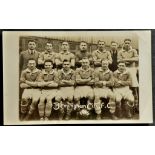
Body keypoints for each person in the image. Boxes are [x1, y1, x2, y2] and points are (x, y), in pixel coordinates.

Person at [117, 38, 139, 111]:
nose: (127, 44)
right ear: (124, 43)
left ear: (130, 43)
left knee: (134, 87)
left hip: (132, 69)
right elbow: (119, 60)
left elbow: (136, 59)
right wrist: (130, 60)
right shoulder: (120, 51)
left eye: (128, 43)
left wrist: (125, 60)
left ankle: (136, 106)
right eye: (125, 43)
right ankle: (125, 107)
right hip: (124, 69)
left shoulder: (134, 50)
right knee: (125, 88)